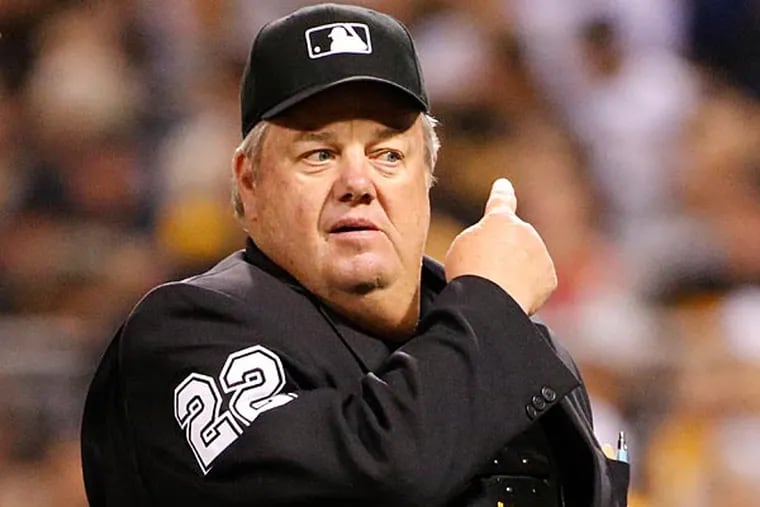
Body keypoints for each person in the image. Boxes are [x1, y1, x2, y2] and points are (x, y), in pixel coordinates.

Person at [81, 3, 630, 506]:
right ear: (250, 183)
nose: (358, 182)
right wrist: (489, 305)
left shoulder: (518, 340)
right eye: (319, 154)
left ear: (427, 180)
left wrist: (491, 315)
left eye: (388, 154)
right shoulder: (187, 331)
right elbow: (373, 480)